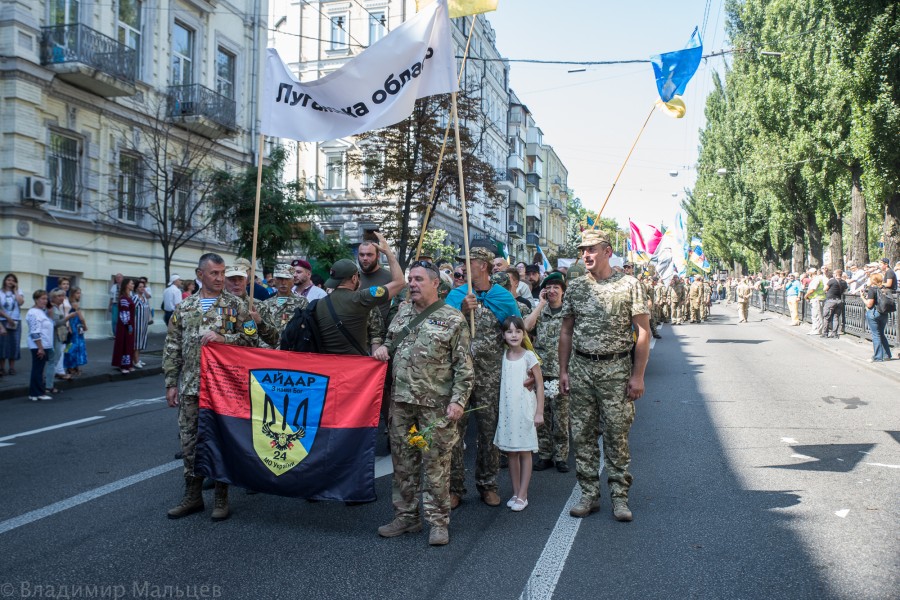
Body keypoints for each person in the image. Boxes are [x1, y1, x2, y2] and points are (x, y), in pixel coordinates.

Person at [374, 261, 473, 546]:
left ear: (435, 285)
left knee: (435, 465)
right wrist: (382, 348)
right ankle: (407, 517)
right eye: (410, 279)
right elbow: (389, 343)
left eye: (418, 279)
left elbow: (464, 367)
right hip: (403, 406)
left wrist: (458, 402)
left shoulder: (453, 319)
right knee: (403, 463)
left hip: (436, 409)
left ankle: (438, 521)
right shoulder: (403, 312)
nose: (412, 284)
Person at [559, 229, 650, 522]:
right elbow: (566, 331)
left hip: (616, 370)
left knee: (616, 434)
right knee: (582, 435)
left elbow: (643, 332)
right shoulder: (575, 287)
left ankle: (620, 497)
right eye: (583, 250)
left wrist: (638, 376)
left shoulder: (629, 285)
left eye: (592, 249)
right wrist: (563, 370)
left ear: (608, 251)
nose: (586, 254)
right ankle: (588, 494)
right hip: (582, 369)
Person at [164, 253, 258, 521]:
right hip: (192, 387)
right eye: (214, 273)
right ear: (200, 274)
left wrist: (223, 337)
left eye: (222, 273)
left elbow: (252, 342)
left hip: (223, 389)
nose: (220, 278)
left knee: (220, 441)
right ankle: (192, 496)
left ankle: (221, 497)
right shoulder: (184, 308)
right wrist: (171, 382)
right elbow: (172, 346)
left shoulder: (237, 306)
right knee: (190, 442)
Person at [447, 246, 522, 509]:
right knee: (455, 431)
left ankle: (488, 484)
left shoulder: (502, 297)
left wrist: (522, 371)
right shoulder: (456, 295)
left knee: (489, 432)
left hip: (491, 376)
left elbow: (516, 334)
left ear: (484, 265)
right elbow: (441, 329)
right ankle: (455, 487)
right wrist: (459, 308)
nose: (464, 266)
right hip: (458, 376)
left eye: (469, 261)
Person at [316, 232, 404, 356]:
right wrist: (388, 252)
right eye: (361, 254)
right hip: (358, 358)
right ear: (354, 278)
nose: (365, 258)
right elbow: (400, 282)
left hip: (330, 362)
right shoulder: (362, 297)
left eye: (369, 254)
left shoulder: (319, 303)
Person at [494, 316, 544, 512]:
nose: (513, 335)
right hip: (507, 411)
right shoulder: (503, 355)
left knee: (524, 451)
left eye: (517, 331)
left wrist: (539, 411)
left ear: (524, 334)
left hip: (524, 409)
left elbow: (539, 384)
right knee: (511, 452)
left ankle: (523, 494)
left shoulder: (529, 356)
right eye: (509, 331)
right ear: (503, 335)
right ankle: (515, 492)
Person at [524, 271, 570, 473]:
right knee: (541, 416)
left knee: (561, 418)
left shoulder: (569, 313)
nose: (552, 291)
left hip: (561, 371)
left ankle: (561, 457)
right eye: (548, 288)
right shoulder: (540, 312)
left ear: (563, 292)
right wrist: (540, 305)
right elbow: (525, 327)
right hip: (541, 373)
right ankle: (545, 455)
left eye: (556, 288)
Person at [253, 263, 308, 348]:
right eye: (280, 278)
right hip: (267, 351)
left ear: (293, 280)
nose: (283, 282)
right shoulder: (265, 304)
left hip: (290, 351)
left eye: (287, 279)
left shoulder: (302, 303)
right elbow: (259, 331)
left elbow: (304, 331)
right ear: (274, 280)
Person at [25, 290, 54, 401]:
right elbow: (34, 331)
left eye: (46, 299)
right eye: (42, 298)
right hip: (38, 345)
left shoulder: (42, 312)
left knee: (39, 369)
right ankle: (37, 393)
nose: (45, 301)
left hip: (44, 345)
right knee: (37, 369)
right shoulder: (33, 313)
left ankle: (35, 393)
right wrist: (40, 347)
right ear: (36, 299)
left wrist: (50, 314)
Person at [861, 272, 893, 362]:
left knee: (876, 335)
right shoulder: (885, 289)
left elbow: (869, 304)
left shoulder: (872, 289)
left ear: (873, 280)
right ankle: (887, 355)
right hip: (884, 313)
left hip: (874, 313)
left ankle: (878, 357)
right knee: (881, 334)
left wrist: (862, 297)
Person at [0, 273, 25, 376]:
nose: (10, 282)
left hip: (16, 321)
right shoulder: (0, 292)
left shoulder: (18, 292)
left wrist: (15, 291)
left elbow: (21, 302)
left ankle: (12, 367)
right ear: (5, 281)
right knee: (2, 345)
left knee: (14, 344)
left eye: (13, 280)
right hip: (3, 321)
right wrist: (7, 317)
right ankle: (1, 368)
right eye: (8, 280)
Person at [111, 279, 136, 374]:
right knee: (124, 343)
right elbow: (124, 313)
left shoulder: (129, 297)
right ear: (126, 285)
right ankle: (122, 365)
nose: (133, 285)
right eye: (131, 283)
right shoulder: (123, 298)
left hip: (130, 324)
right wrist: (128, 325)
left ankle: (128, 364)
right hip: (124, 326)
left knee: (129, 344)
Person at [64, 287, 88, 376]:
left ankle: (72, 367)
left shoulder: (69, 303)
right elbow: (81, 317)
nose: (79, 295)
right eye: (78, 293)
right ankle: (72, 367)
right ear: (73, 294)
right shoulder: (75, 304)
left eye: (80, 293)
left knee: (70, 346)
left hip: (72, 327)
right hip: (76, 328)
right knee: (75, 347)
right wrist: (85, 326)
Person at [822, 269, 847, 338]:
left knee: (827, 317)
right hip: (839, 300)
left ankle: (825, 333)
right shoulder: (844, 282)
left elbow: (825, 289)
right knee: (836, 317)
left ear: (836, 274)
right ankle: (834, 333)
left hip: (830, 300)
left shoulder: (832, 281)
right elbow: (845, 290)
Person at [133, 279, 151, 368]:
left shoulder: (144, 298)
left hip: (144, 324)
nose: (142, 288)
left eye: (143, 287)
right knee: (137, 342)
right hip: (137, 324)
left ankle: (137, 359)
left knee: (142, 342)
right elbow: (132, 310)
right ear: (136, 289)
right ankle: (135, 361)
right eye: (140, 287)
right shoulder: (135, 298)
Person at [805, 267, 827, 335]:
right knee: (815, 315)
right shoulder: (816, 279)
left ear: (811, 273)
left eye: (809, 273)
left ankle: (817, 330)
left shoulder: (816, 279)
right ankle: (814, 329)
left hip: (817, 298)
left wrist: (806, 295)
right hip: (816, 298)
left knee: (817, 315)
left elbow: (812, 289)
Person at [108, 273, 123, 337]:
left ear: (122, 278)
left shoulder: (125, 286)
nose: (118, 279)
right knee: (114, 320)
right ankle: (115, 335)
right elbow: (111, 297)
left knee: (122, 320)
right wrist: (110, 305)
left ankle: (121, 334)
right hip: (115, 305)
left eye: (119, 277)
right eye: (117, 278)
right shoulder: (114, 286)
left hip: (123, 305)